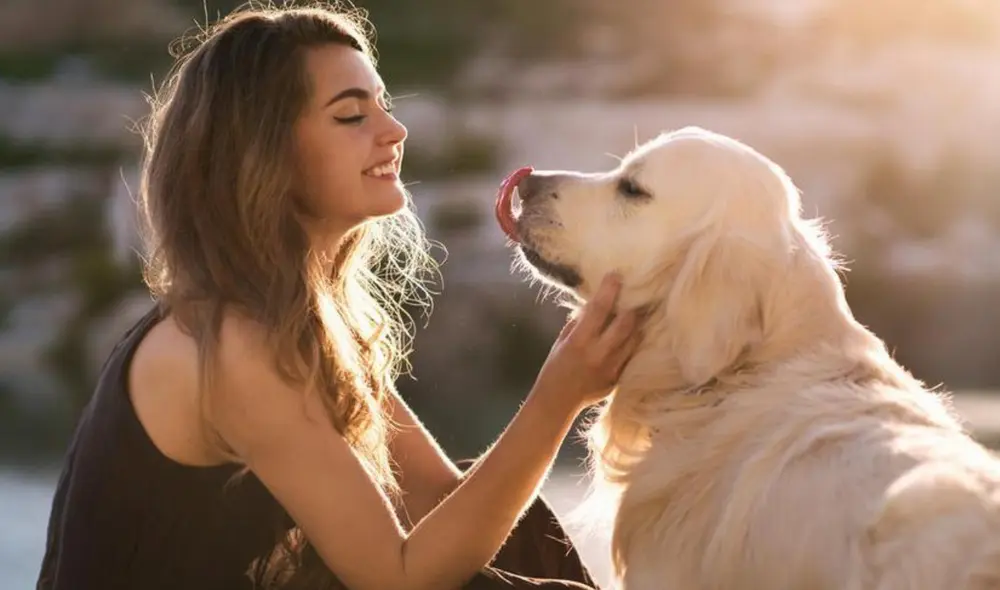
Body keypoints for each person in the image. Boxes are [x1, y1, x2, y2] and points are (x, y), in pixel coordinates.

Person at [36, 3, 640, 590]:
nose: (395, 130)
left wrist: (589, 351)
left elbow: (439, 501)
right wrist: (558, 398)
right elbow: (400, 578)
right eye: (352, 115)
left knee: (520, 528)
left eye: (383, 104)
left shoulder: (302, 322)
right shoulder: (230, 346)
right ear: (263, 152)